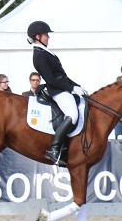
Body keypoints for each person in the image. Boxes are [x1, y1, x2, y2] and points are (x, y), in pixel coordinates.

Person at [28, 20, 83, 166]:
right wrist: (71, 89)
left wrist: (77, 86)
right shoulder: (39, 55)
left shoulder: (45, 51)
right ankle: (54, 149)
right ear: (38, 36)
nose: (48, 37)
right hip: (57, 90)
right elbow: (51, 79)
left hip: (63, 86)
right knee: (73, 115)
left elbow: (61, 74)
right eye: (46, 34)